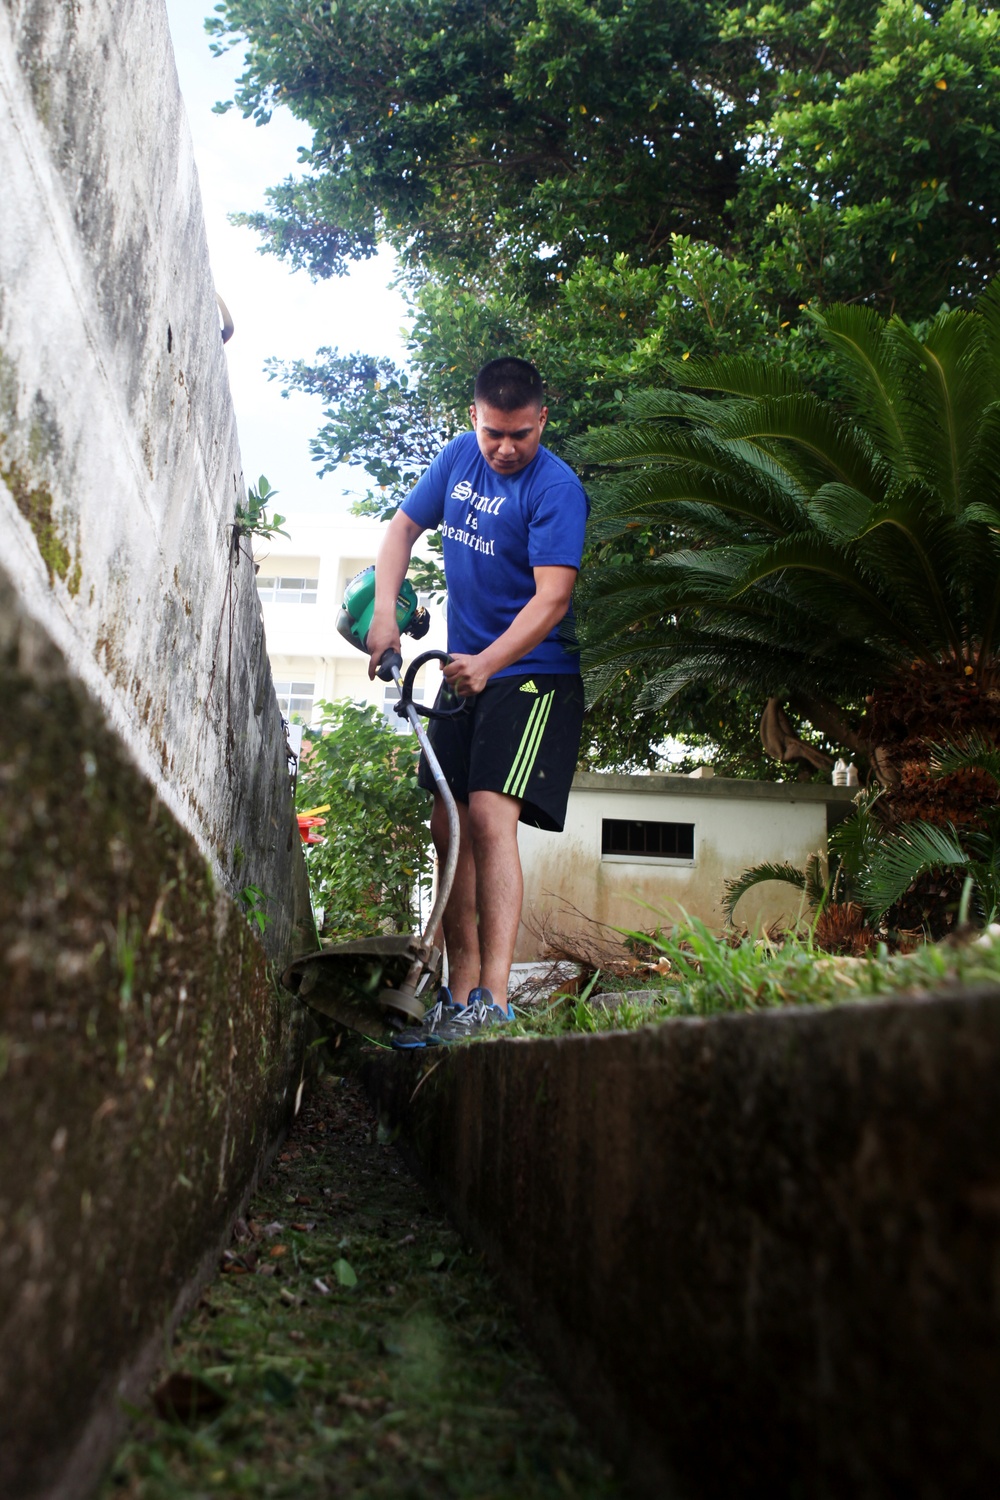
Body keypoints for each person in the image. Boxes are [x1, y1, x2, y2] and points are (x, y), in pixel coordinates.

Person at [366, 357, 589, 1046]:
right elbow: (401, 529)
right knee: (447, 825)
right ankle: (455, 994)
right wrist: (383, 614)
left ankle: (494, 997)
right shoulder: (459, 459)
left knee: (491, 817)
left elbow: (552, 599)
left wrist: (491, 662)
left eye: (520, 433)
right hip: (463, 672)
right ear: (474, 418)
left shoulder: (557, 490)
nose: (505, 447)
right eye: (494, 432)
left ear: (542, 420)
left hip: (532, 676)